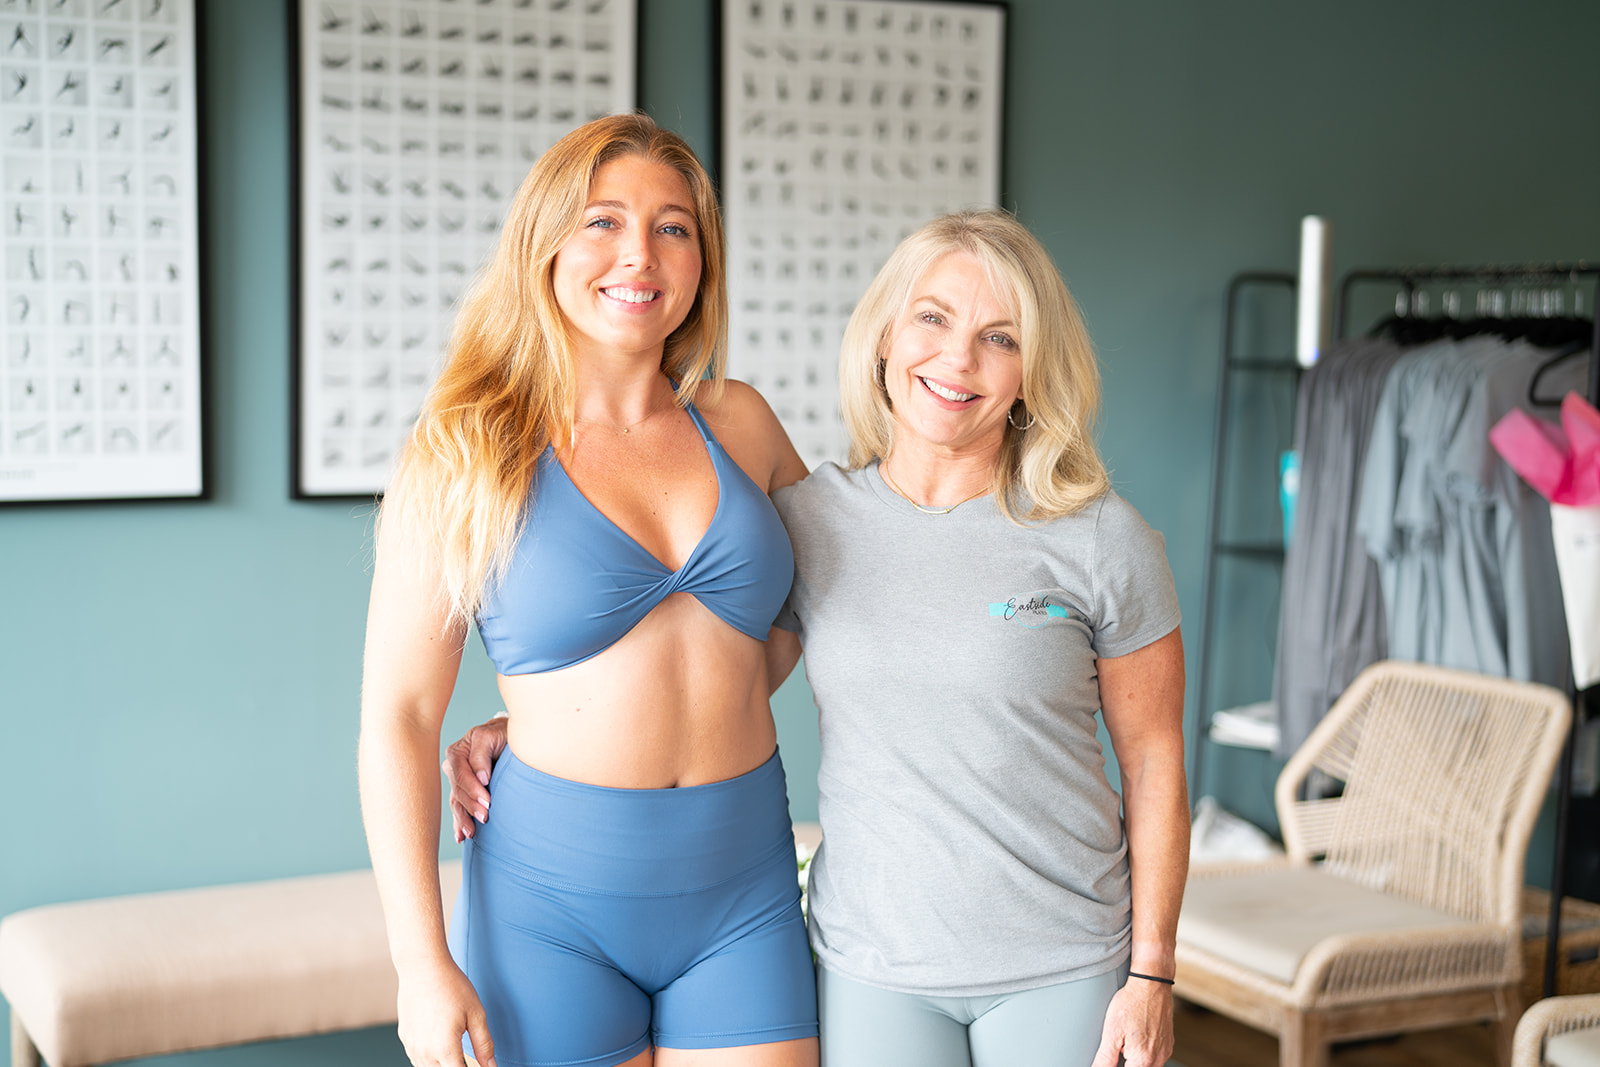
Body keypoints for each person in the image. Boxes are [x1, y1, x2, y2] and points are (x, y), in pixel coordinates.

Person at [446, 210, 1188, 1067]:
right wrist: (532, 727)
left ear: (1033, 371)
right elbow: (686, 659)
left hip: (1065, 960)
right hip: (869, 967)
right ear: (883, 337)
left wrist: (1153, 972)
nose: (957, 360)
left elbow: (1156, 760)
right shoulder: (811, 519)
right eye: (933, 319)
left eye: (1001, 338)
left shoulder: (1101, 536)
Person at [359, 113, 817, 1067]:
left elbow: (817, 611)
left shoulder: (743, 422)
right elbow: (399, 716)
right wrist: (418, 960)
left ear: (702, 260)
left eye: (673, 226)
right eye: (602, 221)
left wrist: (549, 711)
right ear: (546, 243)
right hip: (550, 903)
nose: (639, 254)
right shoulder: (463, 450)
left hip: (745, 884)